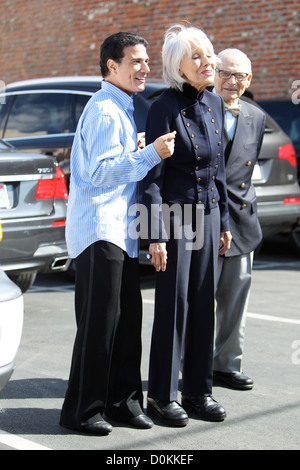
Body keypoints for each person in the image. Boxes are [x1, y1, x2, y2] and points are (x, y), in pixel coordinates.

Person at [59, 32, 176, 435]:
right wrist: (149, 154)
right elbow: (96, 174)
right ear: (112, 66)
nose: (145, 68)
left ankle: (123, 403)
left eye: (146, 61)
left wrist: (137, 149)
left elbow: (111, 161)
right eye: (136, 61)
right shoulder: (107, 110)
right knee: (101, 326)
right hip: (100, 232)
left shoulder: (120, 107)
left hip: (119, 233)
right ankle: (83, 411)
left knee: (125, 323)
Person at [143, 24, 232, 426]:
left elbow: (220, 171)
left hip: (210, 214)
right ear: (177, 65)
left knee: (202, 306)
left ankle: (198, 391)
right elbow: (152, 176)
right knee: (173, 308)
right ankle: (161, 396)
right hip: (176, 218)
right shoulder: (162, 106)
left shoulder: (214, 102)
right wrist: (155, 234)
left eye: (208, 53)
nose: (206, 61)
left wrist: (225, 218)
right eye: (195, 55)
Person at [213, 49, 266, 390]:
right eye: (226, 73)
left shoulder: (256, 116)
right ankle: (192, 366)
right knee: (198, 302)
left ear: (250, 80)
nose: (233, 81)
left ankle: (226, 365)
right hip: (203, 221)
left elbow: (245, 171)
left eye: (241, 76)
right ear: (212, 73)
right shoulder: (196, 110)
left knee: (235, 301)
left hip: (242, 221)